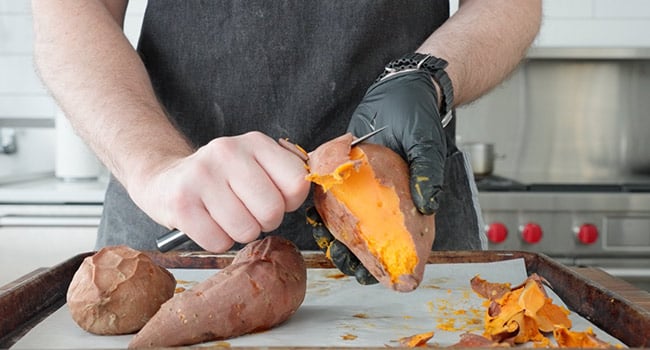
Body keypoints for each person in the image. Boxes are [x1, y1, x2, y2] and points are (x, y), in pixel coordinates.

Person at [32, 1, 541, 282]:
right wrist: (158, 168)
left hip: (409, 203)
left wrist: (425, 77)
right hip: (181, 224)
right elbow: (69, 12)